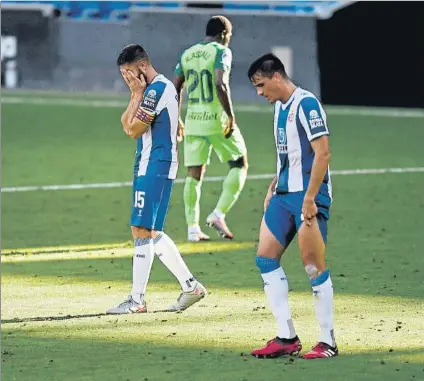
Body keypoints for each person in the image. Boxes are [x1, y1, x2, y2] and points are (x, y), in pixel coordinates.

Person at [247, 53, 337, 359]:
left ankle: (328, 341)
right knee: (265, 259)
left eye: (260, 85)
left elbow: (322, 153)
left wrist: (310, 198)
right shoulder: (279, 108)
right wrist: (274, 184)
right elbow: (290, 155)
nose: (260, 93)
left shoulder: (307, 104)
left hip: (307, 196)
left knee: (313, 266)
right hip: (284, 194)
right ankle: (286, 337)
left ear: (276, 77)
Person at [107, 44, 206, 314]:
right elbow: (125, 121)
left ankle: (137, 300)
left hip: (156, 164)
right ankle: (191, 287)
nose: (126, 79)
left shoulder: (157, 89)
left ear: (141, 66)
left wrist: (138, 93)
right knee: (152, 231)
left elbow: (134, 129)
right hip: (151, 163)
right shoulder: (149, 91)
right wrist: (135, 94)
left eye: (127, 73)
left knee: (140, 229)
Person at [173, 15, 248, 242]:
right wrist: (230, 114)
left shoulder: (187, 54)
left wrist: (177, 118)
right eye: (230, 36)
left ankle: (192, 228)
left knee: (194, 174)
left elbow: (175, 86)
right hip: (215, 119)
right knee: (239, 163)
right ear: (224, 34)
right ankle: (218, 213)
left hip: (194, 120)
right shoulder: (220, 51)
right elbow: (220, 82)